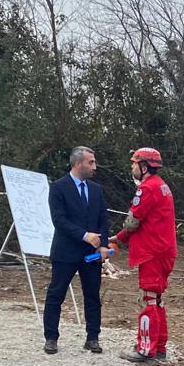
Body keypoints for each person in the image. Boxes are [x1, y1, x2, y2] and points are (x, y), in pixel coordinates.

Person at [112, 147, 178, 364]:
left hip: (152, 252)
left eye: (134, 163)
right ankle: (158, 347)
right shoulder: (162, 187)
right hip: (164, 250)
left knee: (147, 299)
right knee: (157, 299)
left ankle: (145, 348)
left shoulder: (147, 189)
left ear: (144, 166)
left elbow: (132, 222)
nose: (132, 167)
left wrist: (118, 238)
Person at [44, 146, 110, 354]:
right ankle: (51, 338)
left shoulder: (96, 189)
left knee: (92, 295)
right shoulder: (58, 187)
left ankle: (93, 337)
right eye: (90, 162)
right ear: (77, 163)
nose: (94, 167)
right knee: (56, 294)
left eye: (94, 162)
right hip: (66, 251)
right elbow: (59, 220)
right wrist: (84, 235)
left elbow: (103, 219)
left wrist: (105, 245)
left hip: (91, 254)